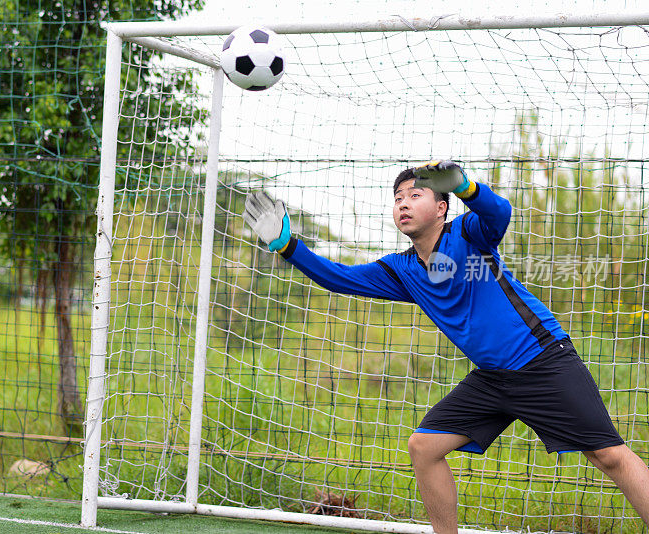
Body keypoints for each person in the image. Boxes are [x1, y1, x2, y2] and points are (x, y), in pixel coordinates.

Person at [241, 160, 649, 533]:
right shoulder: (400, 270)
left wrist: (468, 188)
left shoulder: (467, 235)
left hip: (542, 360)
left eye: (415, 195)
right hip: (492, 379)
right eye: (398, 198)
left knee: (609, 456)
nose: (403, 203)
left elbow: (499, 213)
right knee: (424, 446)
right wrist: (288, 246)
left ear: (441, 208)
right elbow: (339, 277)